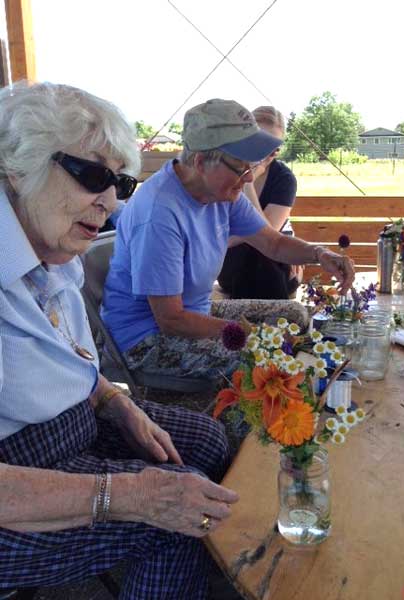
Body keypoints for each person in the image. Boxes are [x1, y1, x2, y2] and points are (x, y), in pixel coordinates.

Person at [0, 81, 238, 600]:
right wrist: (127, 495)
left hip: (72, 428)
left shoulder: (54, 252)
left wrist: (114, 402)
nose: (109, 201)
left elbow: (71, 359)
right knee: (175, 522)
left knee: (207, 442)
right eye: (91, 175)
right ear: (17, 168)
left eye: (121, 184)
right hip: (16, 480)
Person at [102, 98, 355, 383]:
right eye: (239, 167)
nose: (248, 178)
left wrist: (319, 254)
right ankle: (249, 426)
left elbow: (272, 243)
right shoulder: (160, 212)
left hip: (195, 312)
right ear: (200, 162)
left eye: (251, 166)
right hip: (146, 339)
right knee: (269, 358)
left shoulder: (220, 193)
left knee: (295, 316)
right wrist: (254, 335)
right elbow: (171, 320)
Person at [218, 105, 301, 299]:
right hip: (232, 262)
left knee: (261, 257)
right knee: (250, 257)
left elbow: (267, 235)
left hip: (272, 262)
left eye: (271, 145)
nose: (262, 150)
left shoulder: (283, 178)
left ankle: (266, 325)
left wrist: (249, 181)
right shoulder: (225, 169)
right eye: (258, 140)